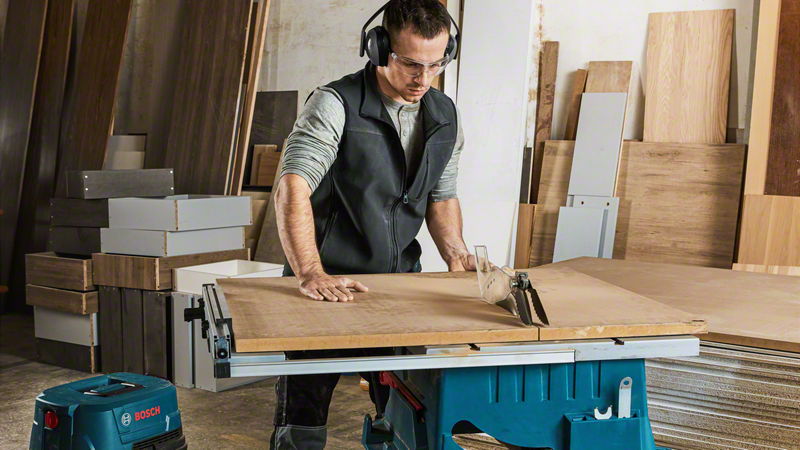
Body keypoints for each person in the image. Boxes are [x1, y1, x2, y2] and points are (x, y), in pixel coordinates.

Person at [270, 0, 473, 447]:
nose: (423, 78)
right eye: (411, 64)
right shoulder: (335, 103)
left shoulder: (445, 115)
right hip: (326, 287)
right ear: (379, 47)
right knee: (302, 423)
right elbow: (292, 187)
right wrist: (310, 272)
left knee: (407, 415)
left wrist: (457, 253)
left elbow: (441, 194)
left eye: (436, 64)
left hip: (398, 288)